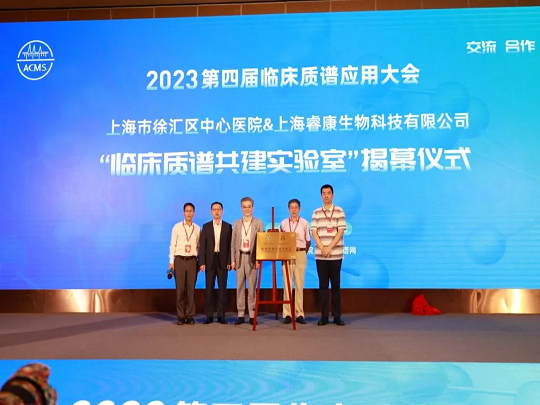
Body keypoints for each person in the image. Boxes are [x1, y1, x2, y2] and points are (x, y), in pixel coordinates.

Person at [311, 184, 346, 326]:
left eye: (328, 193)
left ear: (333, 195)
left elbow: (340, 231)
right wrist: (323, 248)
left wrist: (329, 247)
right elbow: (314, 232)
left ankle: (337, 316)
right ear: (321, 196)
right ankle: (324, 316)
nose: (326, 195)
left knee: (336, 285)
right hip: (321, 256)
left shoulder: (339, 211)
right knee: (323, 286)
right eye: (323, 193)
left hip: (336, 254)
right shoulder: (316, 212)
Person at [198, 202, 233, 324]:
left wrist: (229, 261)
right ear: (211, 212)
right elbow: (202, 246)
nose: (216, 211)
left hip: (223, 261)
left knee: (222, 289)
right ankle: (209, 316)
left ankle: (221, 316)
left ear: (222, 211)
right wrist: (201, 262)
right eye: (214, 209)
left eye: (219, 209)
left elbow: (230, 246)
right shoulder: (206, 226)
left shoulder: (228, 227)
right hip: (209, 261)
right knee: (209, 289)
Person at [230, 197, 263, 325]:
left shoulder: (258, 223)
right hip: (240, 257)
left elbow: (261, 244)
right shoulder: (236, 223)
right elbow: (233, 244)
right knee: (240, 287)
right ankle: (240, 314)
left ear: (252, 208)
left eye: (249, 206)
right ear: (241, 208)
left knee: (252, 287)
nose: (247, 209)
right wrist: (233, 260)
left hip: (252, 258)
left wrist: (258, 259)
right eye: (244, 207)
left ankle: (252, 315)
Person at [280, 198, 311, 325]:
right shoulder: (283, 223)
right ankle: (287, 314)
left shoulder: (304, 223)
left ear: (300, 209)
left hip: (300, 253)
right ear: (288, 209)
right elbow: (280, 241)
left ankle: (299, 313)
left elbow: (308, 241)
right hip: (287, 255)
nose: (294, 210)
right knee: (287, 284)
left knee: (299, 284)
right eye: (291, 208)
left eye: (296, 207)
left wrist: (302, 253)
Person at [169, 202, 200, 325]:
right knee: (180, 290)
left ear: (194, 213)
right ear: (183, 213)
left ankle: (190, 315)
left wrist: (199, 262)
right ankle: (181, 316)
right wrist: (171, 262)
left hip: (192, 261)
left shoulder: (197, 228)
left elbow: (199, 246)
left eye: (191, 211)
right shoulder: (177, 227)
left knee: (191, 290)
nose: (189, 213)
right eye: (187, 211)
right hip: (180, 260)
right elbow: (172, 245)